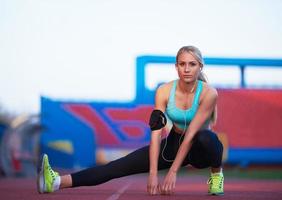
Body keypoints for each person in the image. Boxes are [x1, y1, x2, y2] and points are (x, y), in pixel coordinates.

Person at [37, 45, 224, 196]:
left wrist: (172, 172)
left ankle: (217, 174)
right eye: (182, 64)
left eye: (192, 64)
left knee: (207, 138)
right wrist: (152, 174)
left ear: (200, 66)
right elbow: (156, 132)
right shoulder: (164, 91)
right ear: (176, 67)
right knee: (117, 166)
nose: (186, 69)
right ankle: (56, 182)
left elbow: (191, 134)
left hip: (200, 147)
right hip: (174, 143)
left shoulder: (209, 93)